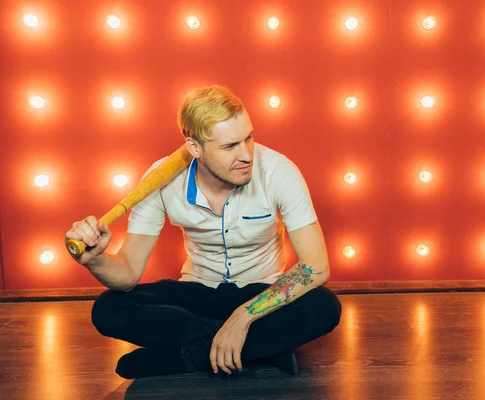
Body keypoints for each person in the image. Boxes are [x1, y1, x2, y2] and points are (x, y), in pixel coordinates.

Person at [65, 85, 342, 379]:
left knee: (325, 306)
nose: (247, 154)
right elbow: (128, 274)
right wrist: (95, 259)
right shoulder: (161, 180)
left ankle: (186, 358)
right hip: (199, 292)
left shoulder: (278, 171)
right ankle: (263, 350)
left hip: (260, 293)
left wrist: (243, 317)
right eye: (229, 146)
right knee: (108, 308)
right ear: (195, 147)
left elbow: (315, 268)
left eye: (248, 138)